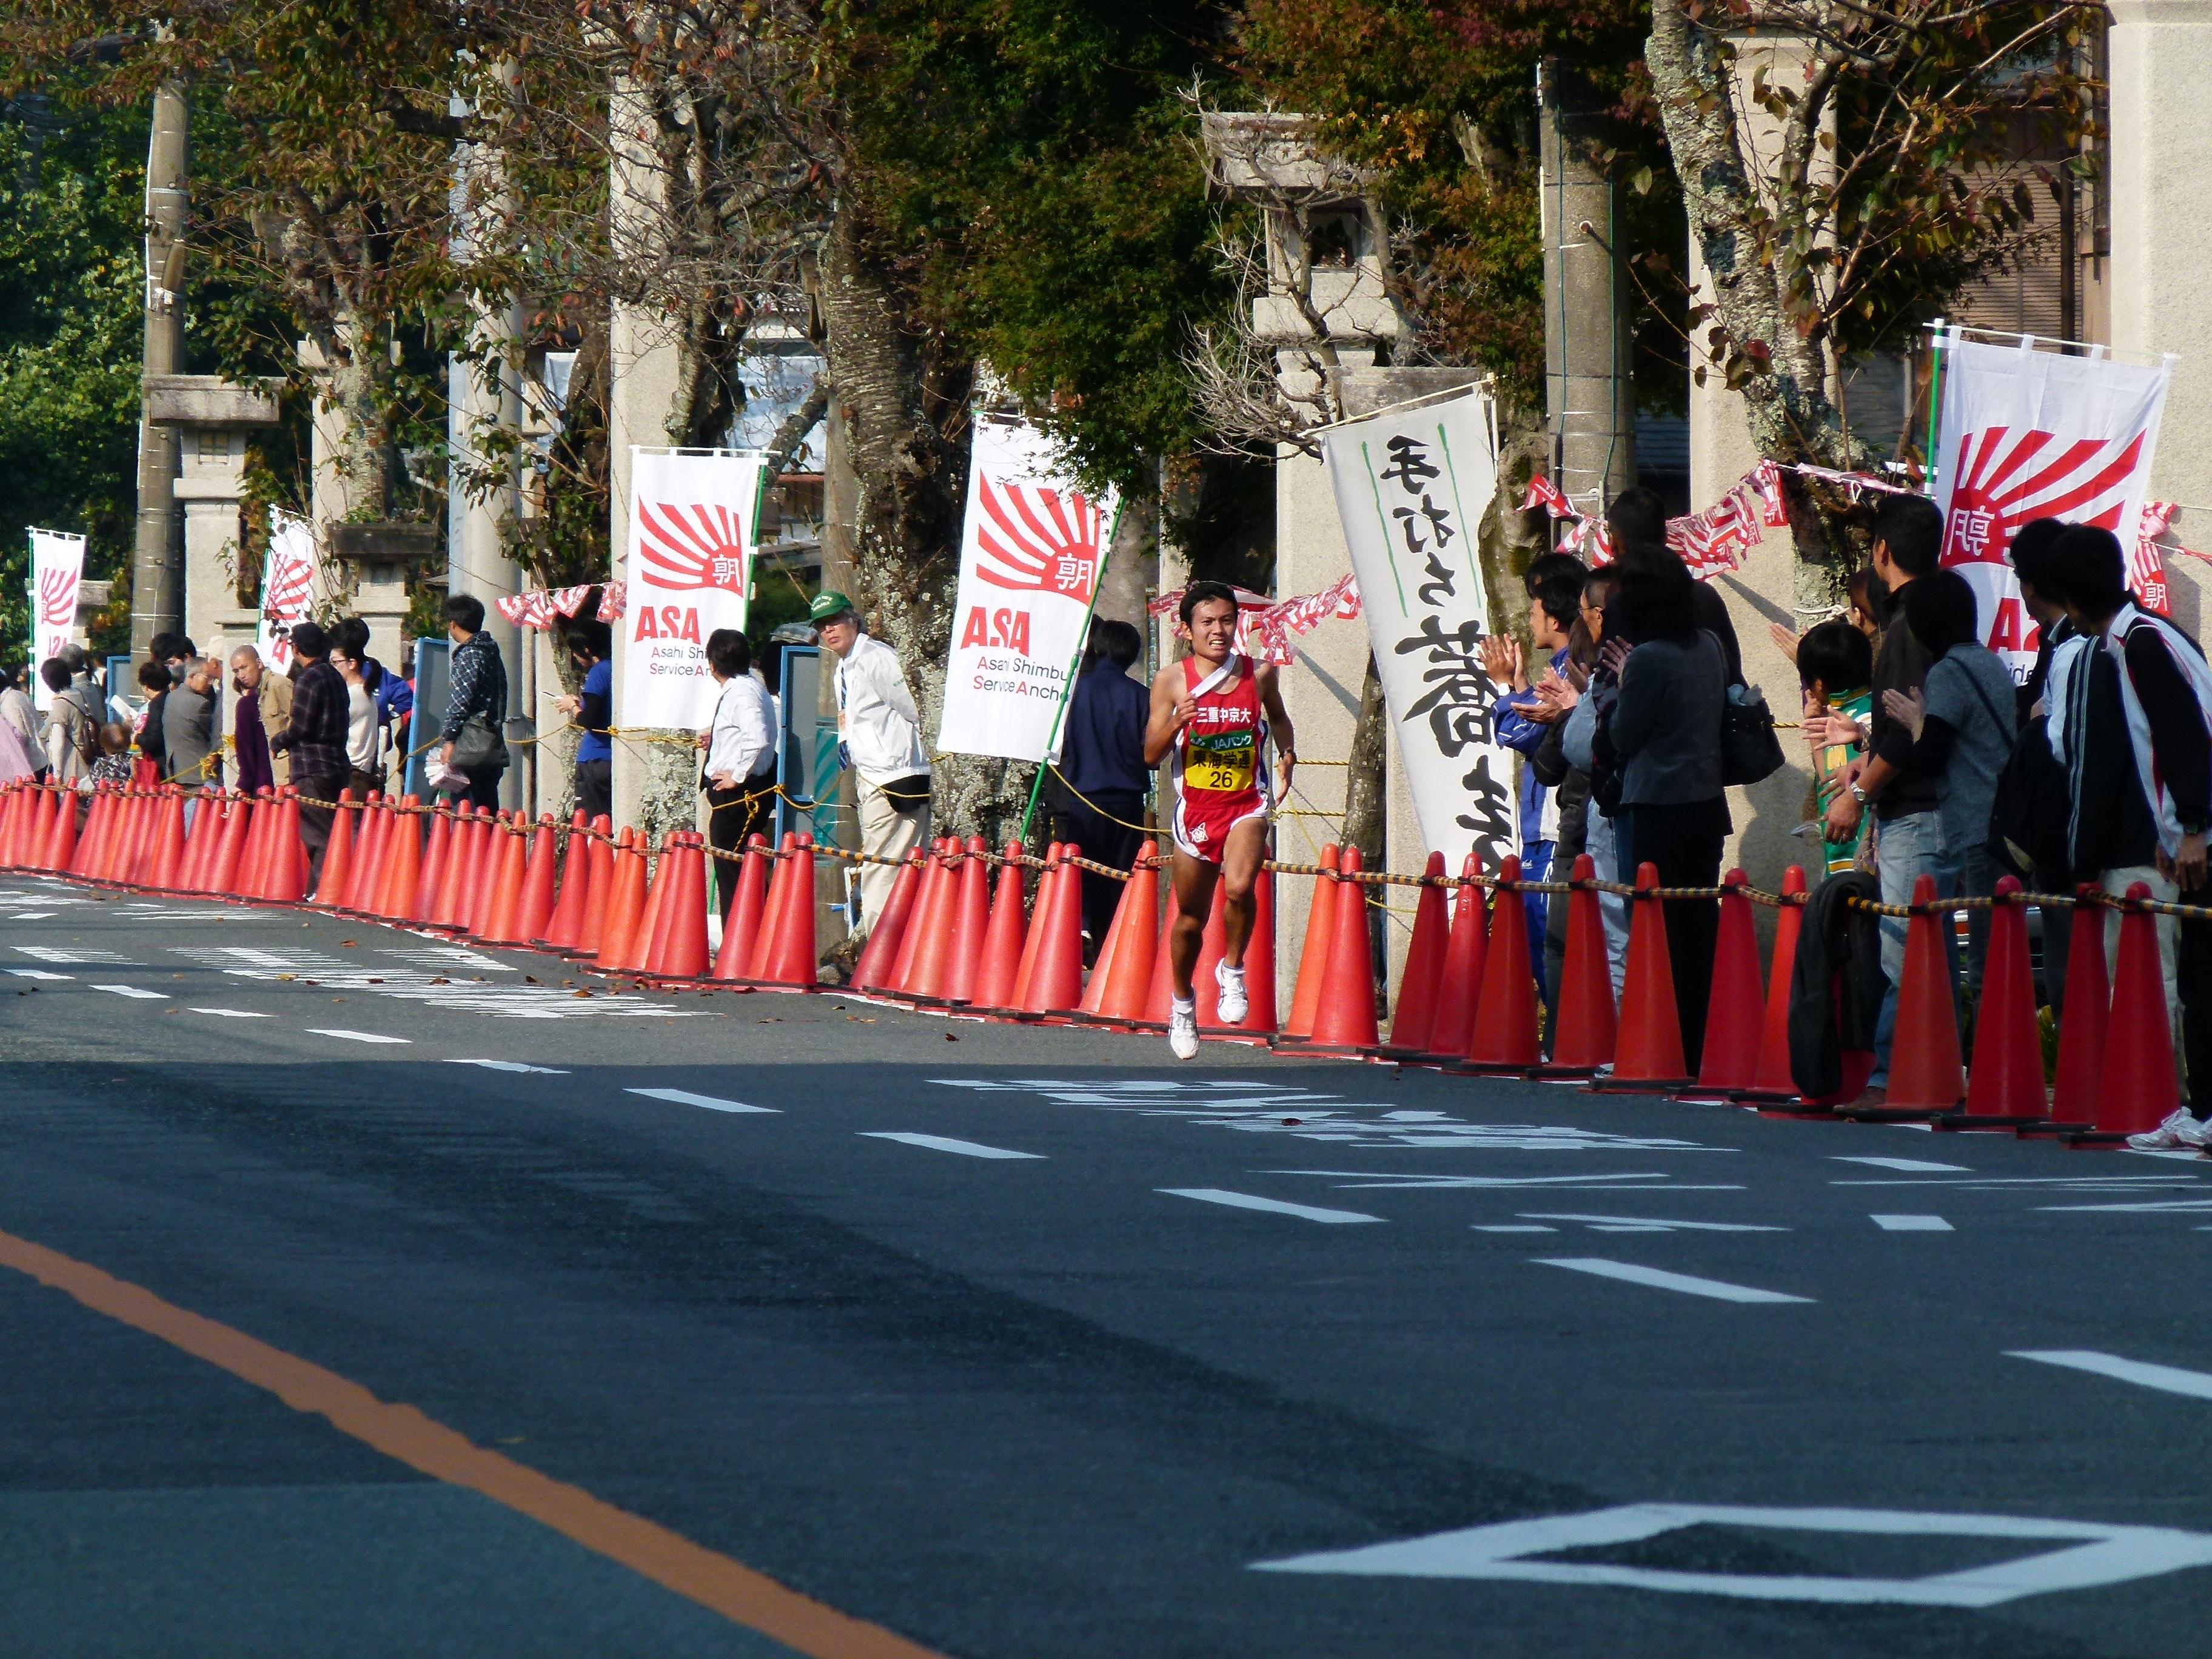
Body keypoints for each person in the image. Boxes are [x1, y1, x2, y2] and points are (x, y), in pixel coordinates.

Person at [2039, 526, 2212, 1147]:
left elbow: (2184, 734)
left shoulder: (2140, 644)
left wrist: (2193, 828)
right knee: (2196, 975)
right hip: (2188, 832)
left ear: (2070, 600)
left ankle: (2202, 1112)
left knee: (2201, 978)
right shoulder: (2148, 634)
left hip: (2203, 833)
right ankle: (2199, 1110)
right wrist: (2172, 831)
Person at [1822, 494, 1945, 1108]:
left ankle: (1891, 1080)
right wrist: (1865, 764)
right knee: (1927, 953)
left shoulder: (1906, 627)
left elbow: (1904, 735)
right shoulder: (1936, 618)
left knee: (1905, 953)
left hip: (1914, 815)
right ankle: (1932, 1078)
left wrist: (1858, 794)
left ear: (1882, 552)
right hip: (1934, 809)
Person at [1143, 581, 1296, 1060]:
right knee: (1191, 920)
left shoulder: (1259, 673)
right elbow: (1150, 755)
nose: (1219, 630)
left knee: (1240, 886)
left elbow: (1278, 718)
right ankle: (1182, 1003)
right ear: (1187, 630)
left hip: (1246, 803)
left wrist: (1288, 753)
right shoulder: (1172, 681)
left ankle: (1232, 970)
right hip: (1197, 812)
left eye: (1227, 620)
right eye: (1207, 622)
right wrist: (1177, 721)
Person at [1601, 556, 1731, 1071]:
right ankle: (1702, 1044)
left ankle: (1662, 1042)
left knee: (1656, 929)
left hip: (1657, 804)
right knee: (1698, 926)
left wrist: (1624, 680)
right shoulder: (1711, 646)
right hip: (1706, 804)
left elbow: (1623, 735)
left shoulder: (1648, 659)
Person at [1882, 568, 2017, 994]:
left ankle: (1987, 1037)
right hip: (2006, 823)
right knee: (2004, 952)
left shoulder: (1948, 672)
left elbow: (1929, 759)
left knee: (1984, 963)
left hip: (1979, 828)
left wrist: (1915, 721)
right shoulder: (1989, 661)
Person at [1487, 554, 1583, 1001]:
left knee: (1549, 937)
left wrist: (1504, 687)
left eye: (1534, 607)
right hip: (1543, 824)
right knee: (1540, 936)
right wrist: (1519, 685)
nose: (1530, 618)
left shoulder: (1572, 666)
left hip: (1553, 824)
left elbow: (1520, 732)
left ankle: (1565, 1029)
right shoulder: (1565, 664)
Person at [817, 591, 931, 939]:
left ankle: (880, 941)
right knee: (881, 863)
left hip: (896, 772)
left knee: (883, 865)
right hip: (870, 775)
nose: (828, 630)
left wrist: (899, 754)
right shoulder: (844, 666)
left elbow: (913, 709)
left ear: (853, 620)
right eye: (821, 626)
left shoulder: (876, 657)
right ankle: (886, 937)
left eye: (835, 621)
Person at [1046, 617, 1153, 959]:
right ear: (1133, 654)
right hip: (1128, 803)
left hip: (1083, 800)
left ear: (1097, 647)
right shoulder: (1142, 696)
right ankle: (1111, 951)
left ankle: (1081, 939)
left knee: (1082, 877)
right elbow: (1150, 755)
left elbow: (1057, 744)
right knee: (1120, 878)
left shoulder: (1072, 692)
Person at [1606, 485, 1743, 684]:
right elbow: (1733, 674)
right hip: (1709, 703)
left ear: (1614, 543)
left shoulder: (1620, 603)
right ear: (1666, 537)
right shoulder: (1707, 597)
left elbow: (1609, 688)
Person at [700, 628, 778, 922]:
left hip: (739, 795)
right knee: (743, 869)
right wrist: (718, 740)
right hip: (741, 792)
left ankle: (739, 935)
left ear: (712, 664)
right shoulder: (747, 687)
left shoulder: (743, 692)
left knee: (733, 870)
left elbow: (757, 738)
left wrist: (738, 775)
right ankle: (751, 933)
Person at [270, 620, 350, 886]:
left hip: (312, 766)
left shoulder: (308, 678)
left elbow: (301, 726)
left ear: (296, 649)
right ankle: (331, 886)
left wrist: (279, 741)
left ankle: (326, 888)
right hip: (338, 763)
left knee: (317, 833)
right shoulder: (335, 676)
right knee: (334, 830)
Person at [1796, 619, 1875, 879]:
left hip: (1868, 851)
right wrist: (1814, 725)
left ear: (1818, 684)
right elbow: (1826, 780)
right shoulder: (1842, 715)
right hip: (1843, 849)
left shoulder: (1862, 718)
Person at [437, 594, 509, 810]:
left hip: (471, 745)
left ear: (453, 624)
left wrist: (449, 739)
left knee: (467, 810)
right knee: (487, 808)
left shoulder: (469, 654)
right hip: (491, 741)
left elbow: (460, 702)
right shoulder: (490, 651)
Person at [554, 619, 614, 823]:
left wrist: (573, 706)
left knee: (590, 821)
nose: (574, 656)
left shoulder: (598, 672)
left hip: (595, 757)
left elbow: (589, 720)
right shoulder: (616, 668)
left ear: (586, 649)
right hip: (610, 757)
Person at [227, 644, 292, 797]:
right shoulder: (256, 695)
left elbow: (299, 722)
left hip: (288, 773)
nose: (241, 675)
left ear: (259, 663)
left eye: (244, 668)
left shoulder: (278, 684)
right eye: (236, 671)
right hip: (272, 779)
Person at [329, 634, 384, 802]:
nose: (332, 668)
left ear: (352, 663)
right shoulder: (364, 691)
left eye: (335, 662)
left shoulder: (354, 695)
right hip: (359, 773)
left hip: (352, 773)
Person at [163, 656, 221, 805]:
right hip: (198, 774)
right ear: (192, 676)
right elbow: (212, 736)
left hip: (176, 770)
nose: (210, 683)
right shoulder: (200, 704)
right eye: (207, 678)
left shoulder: (170, 698)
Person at [40, 658, 93, 789]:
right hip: (86, 757)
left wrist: (57, 774)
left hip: (71, 763)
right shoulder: (79, 694)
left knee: (70, 799)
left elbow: (58, 742)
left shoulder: (61, 703)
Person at [1, 663, 44, 780]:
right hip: (41, 757)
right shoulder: (18, 695)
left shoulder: (8, 704)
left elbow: (18, 737)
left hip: (32, 764)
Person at [132, 659, 170, 786]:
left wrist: (137, 738)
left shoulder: (157, 704)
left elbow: (154, 740)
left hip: (159, 766)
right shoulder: (170, 698)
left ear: (147, 686)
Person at [89, 722, 133, 788]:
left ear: (105, 746)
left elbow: (92, 782)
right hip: (128, 793)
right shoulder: (132, 761)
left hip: (105, 794)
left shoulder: (101, 764)